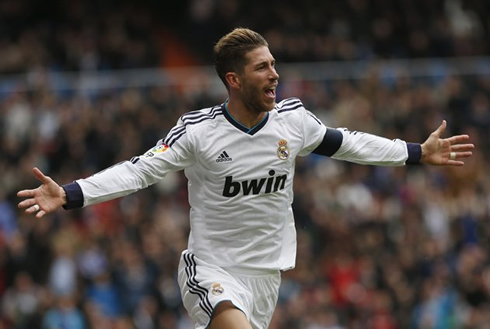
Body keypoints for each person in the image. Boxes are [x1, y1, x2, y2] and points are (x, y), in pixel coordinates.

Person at [17, 28, 474, 329]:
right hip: (212, 268)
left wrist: (416, 152)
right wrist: (72, 193)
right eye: (263, 67)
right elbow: (138, 171)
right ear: (234, 80)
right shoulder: (198, 131)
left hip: (266, 277)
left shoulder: (293, 122)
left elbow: (349, 142)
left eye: (274, 64)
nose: (275, 74)